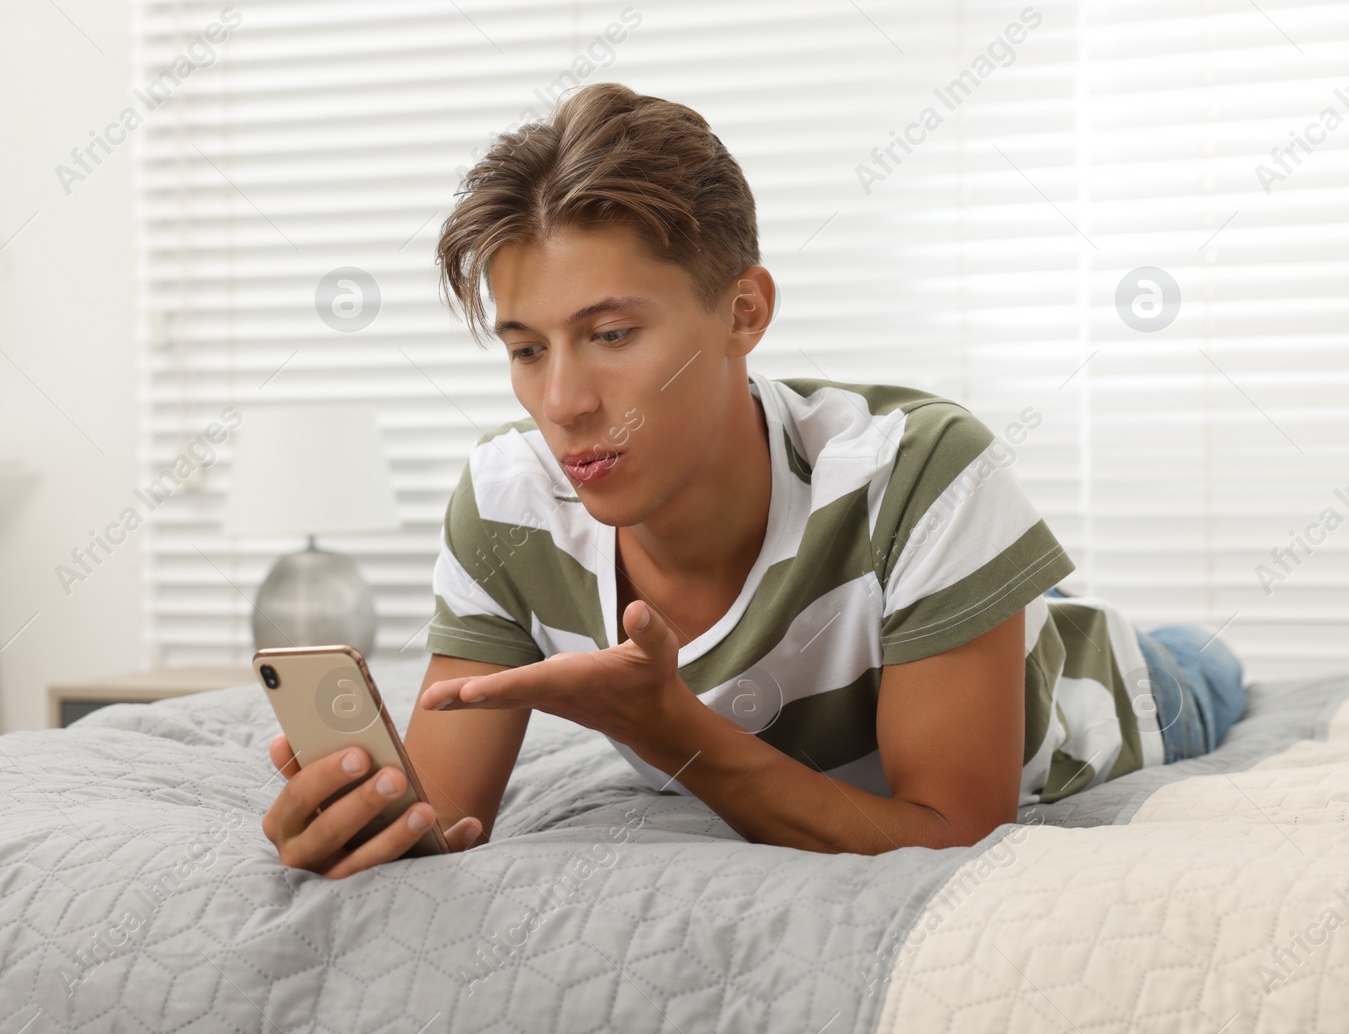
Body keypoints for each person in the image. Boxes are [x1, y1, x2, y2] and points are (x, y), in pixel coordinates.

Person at [260, 83, 1248, 878]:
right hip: (922, 611)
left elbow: (949, 833)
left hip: (1109, 682)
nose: (561, 401)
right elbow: (445, 815)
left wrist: (676, 730)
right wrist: (360, 825)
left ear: (743, 312)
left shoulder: (920, 469)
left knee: (1200, 659)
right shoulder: (508, 501)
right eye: (525, 347)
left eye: (610, 335)